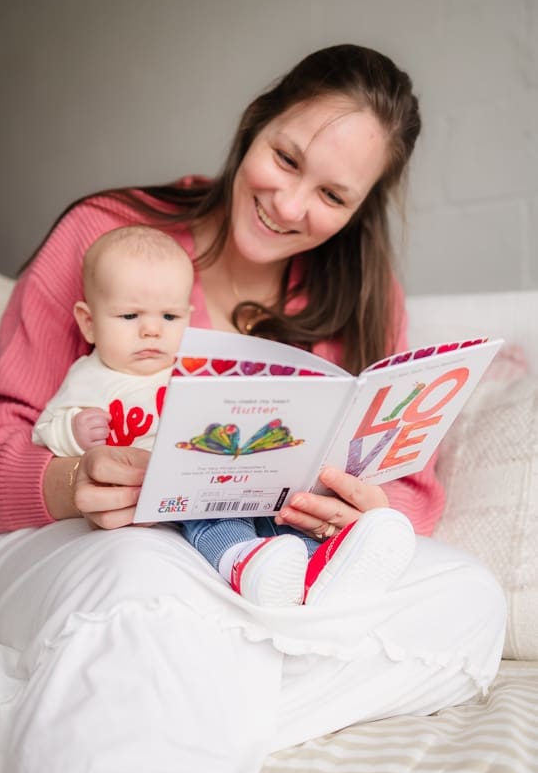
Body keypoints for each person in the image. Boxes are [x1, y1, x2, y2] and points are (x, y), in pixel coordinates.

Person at [0, 44, 505, 773]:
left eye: (331, 195)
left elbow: (409, 486)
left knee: (468, 602)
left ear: (360, 210)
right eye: (283, 159)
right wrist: (67, 481)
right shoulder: (105, 234)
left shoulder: (360, 293)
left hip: (258, 565)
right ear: (254, 124)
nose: (287, 203)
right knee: (150, 580)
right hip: (80, 547)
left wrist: (361, 506)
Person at [33, 223, 417, 609]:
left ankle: (324, 566)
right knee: (210, 515)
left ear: (187, 316)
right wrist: (76, 430)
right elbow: (46, 428)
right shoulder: (90, 376)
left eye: (168, 318)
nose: (151, 331)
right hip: (166, 496)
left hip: (225, 478)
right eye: (130, 316)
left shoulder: (193, 370)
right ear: (88, 322)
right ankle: (240, 561)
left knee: (279, 510)